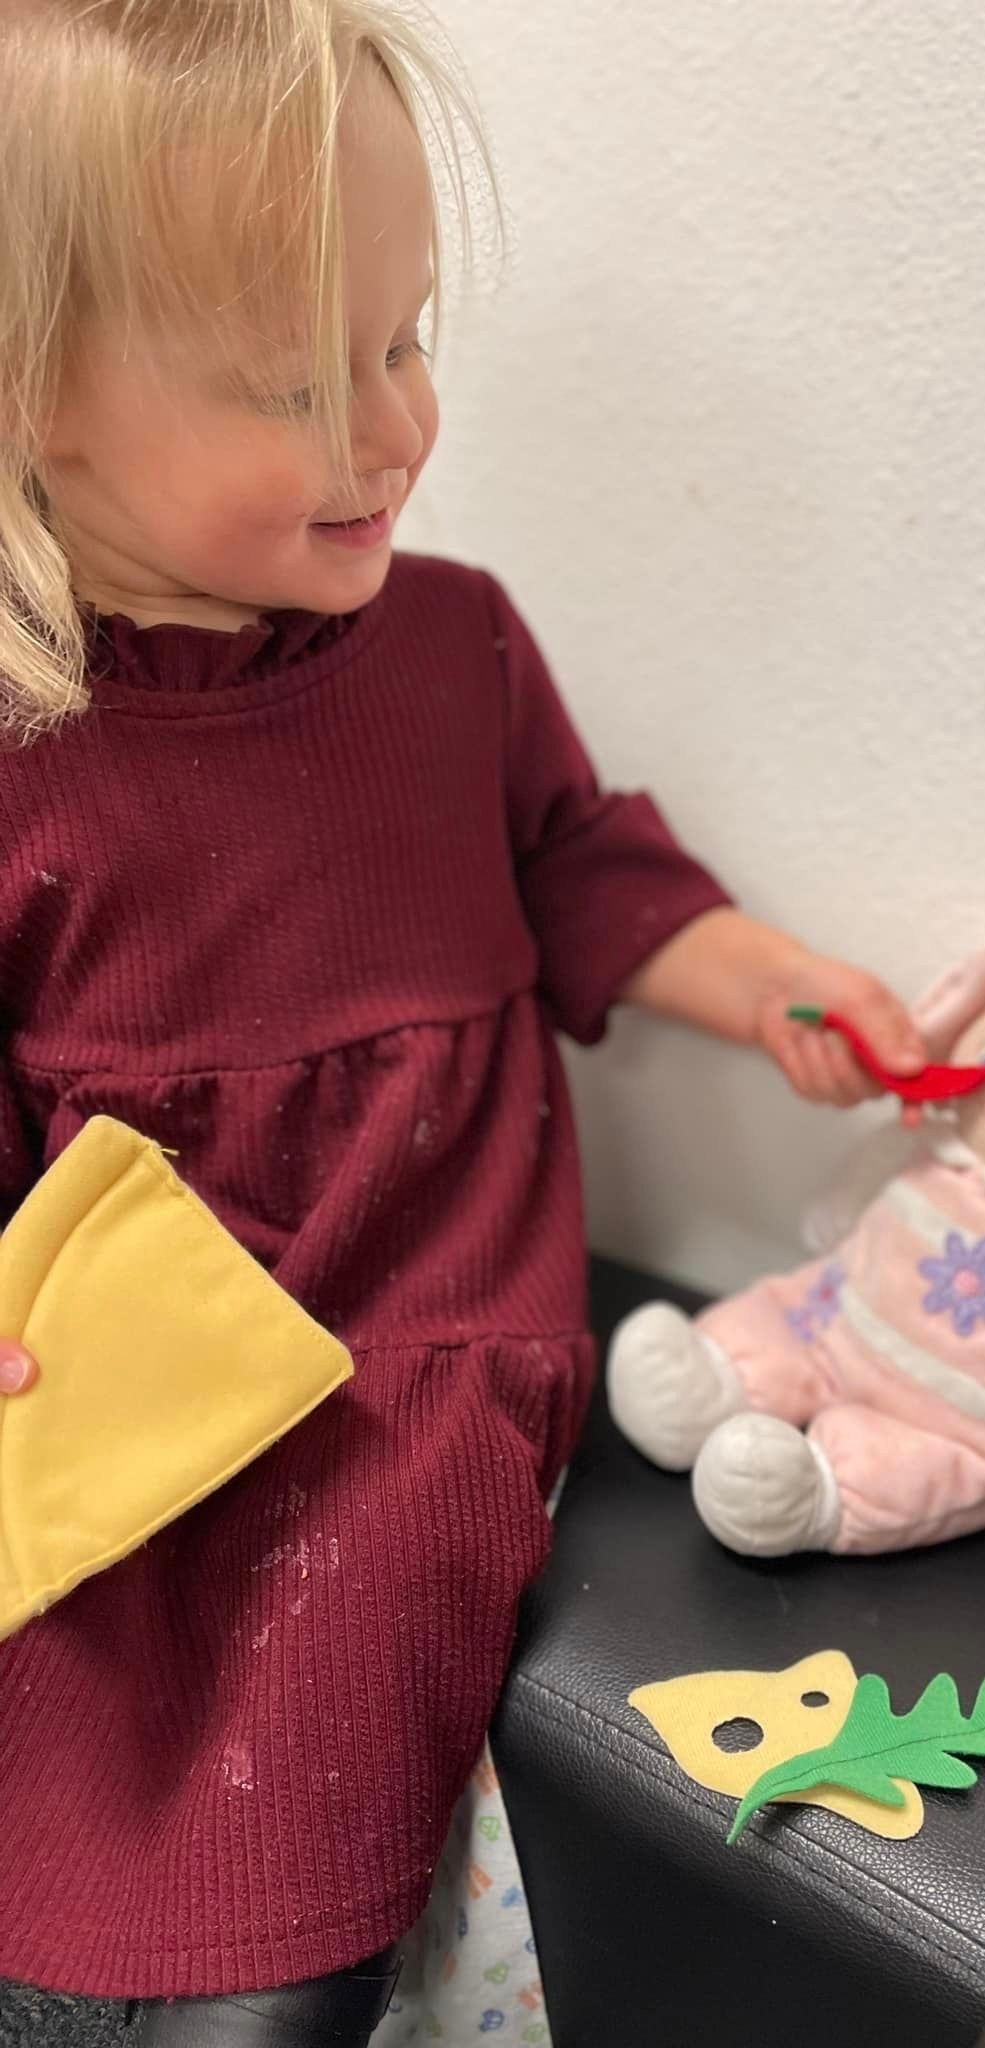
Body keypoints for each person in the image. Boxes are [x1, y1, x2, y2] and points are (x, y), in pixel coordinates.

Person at [0, 3, 926, 2038]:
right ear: (37, 403)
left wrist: (764, 978)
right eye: (303, 383)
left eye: (411, 340)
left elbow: (577, 863)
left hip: (408, 1360)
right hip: (132, 1388)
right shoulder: (29, 754)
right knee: (72, 1732)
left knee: (305, 1799)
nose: (397, 427)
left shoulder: (453, 651)